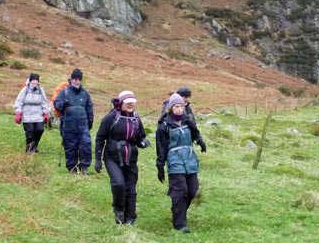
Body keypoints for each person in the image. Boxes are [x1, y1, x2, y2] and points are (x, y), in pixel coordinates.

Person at [95, 91, 151, 226]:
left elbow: (140, 137)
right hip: (112, 157)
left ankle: (130, 219)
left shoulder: (136, 118)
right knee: (119, 184)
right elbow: (100, 137)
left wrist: (143, 142)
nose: (131, 104)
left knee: (131, 189)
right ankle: (119, 210)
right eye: (128, 102)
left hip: (130, 159)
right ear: (121, 103)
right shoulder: (111, 117)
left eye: (133, 102)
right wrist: (98, 159)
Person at [156, 94, 207, 234]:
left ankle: (178, 210)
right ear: (171, 108)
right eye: (176, 107)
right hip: (175, 160)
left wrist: (200, 141)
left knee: (192, 189)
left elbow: (195, 132)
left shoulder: (187, 121)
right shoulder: (164, 125)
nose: (179, 109)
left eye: (181, 107)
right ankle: (180, 223)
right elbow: (161, 147)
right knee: (180, 190)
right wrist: (160, 166)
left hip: (190, 159)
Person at [53, 68, 94, 175]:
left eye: (79, 79)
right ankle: (72, 168)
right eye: (75, 79)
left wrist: (90, 123)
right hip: (68, 126)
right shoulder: (64, 92)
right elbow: (56, 104)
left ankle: (84, 167)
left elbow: (89, 109)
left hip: (83, 126)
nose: (77, 81)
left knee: (86, 145)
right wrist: (63, 104)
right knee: (70, 147)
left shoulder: (85, 94)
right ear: (71, 79)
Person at [14, 73, 51, 153]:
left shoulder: (41, 90)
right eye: (33, 80)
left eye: (36, 80)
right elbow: (19, 101)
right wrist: (18, 113)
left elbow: (45, 102)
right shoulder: (25, 90)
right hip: (27, 114)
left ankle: (34, 145)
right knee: (30, 132)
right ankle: (30, 149)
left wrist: (46, 113)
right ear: (30, 81)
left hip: (38, 113)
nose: (34, 82)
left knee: (39, 130)